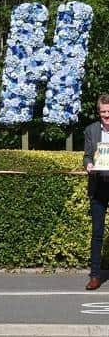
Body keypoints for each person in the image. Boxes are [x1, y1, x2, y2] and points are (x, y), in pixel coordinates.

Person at [83, 94, 109, 290]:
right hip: (98, 185)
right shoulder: (91, 130)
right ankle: (94, 276)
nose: (106, 115)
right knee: (97, 233)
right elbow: (86, 156)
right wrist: (89, 164)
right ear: (98, 112)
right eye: (103, 112)